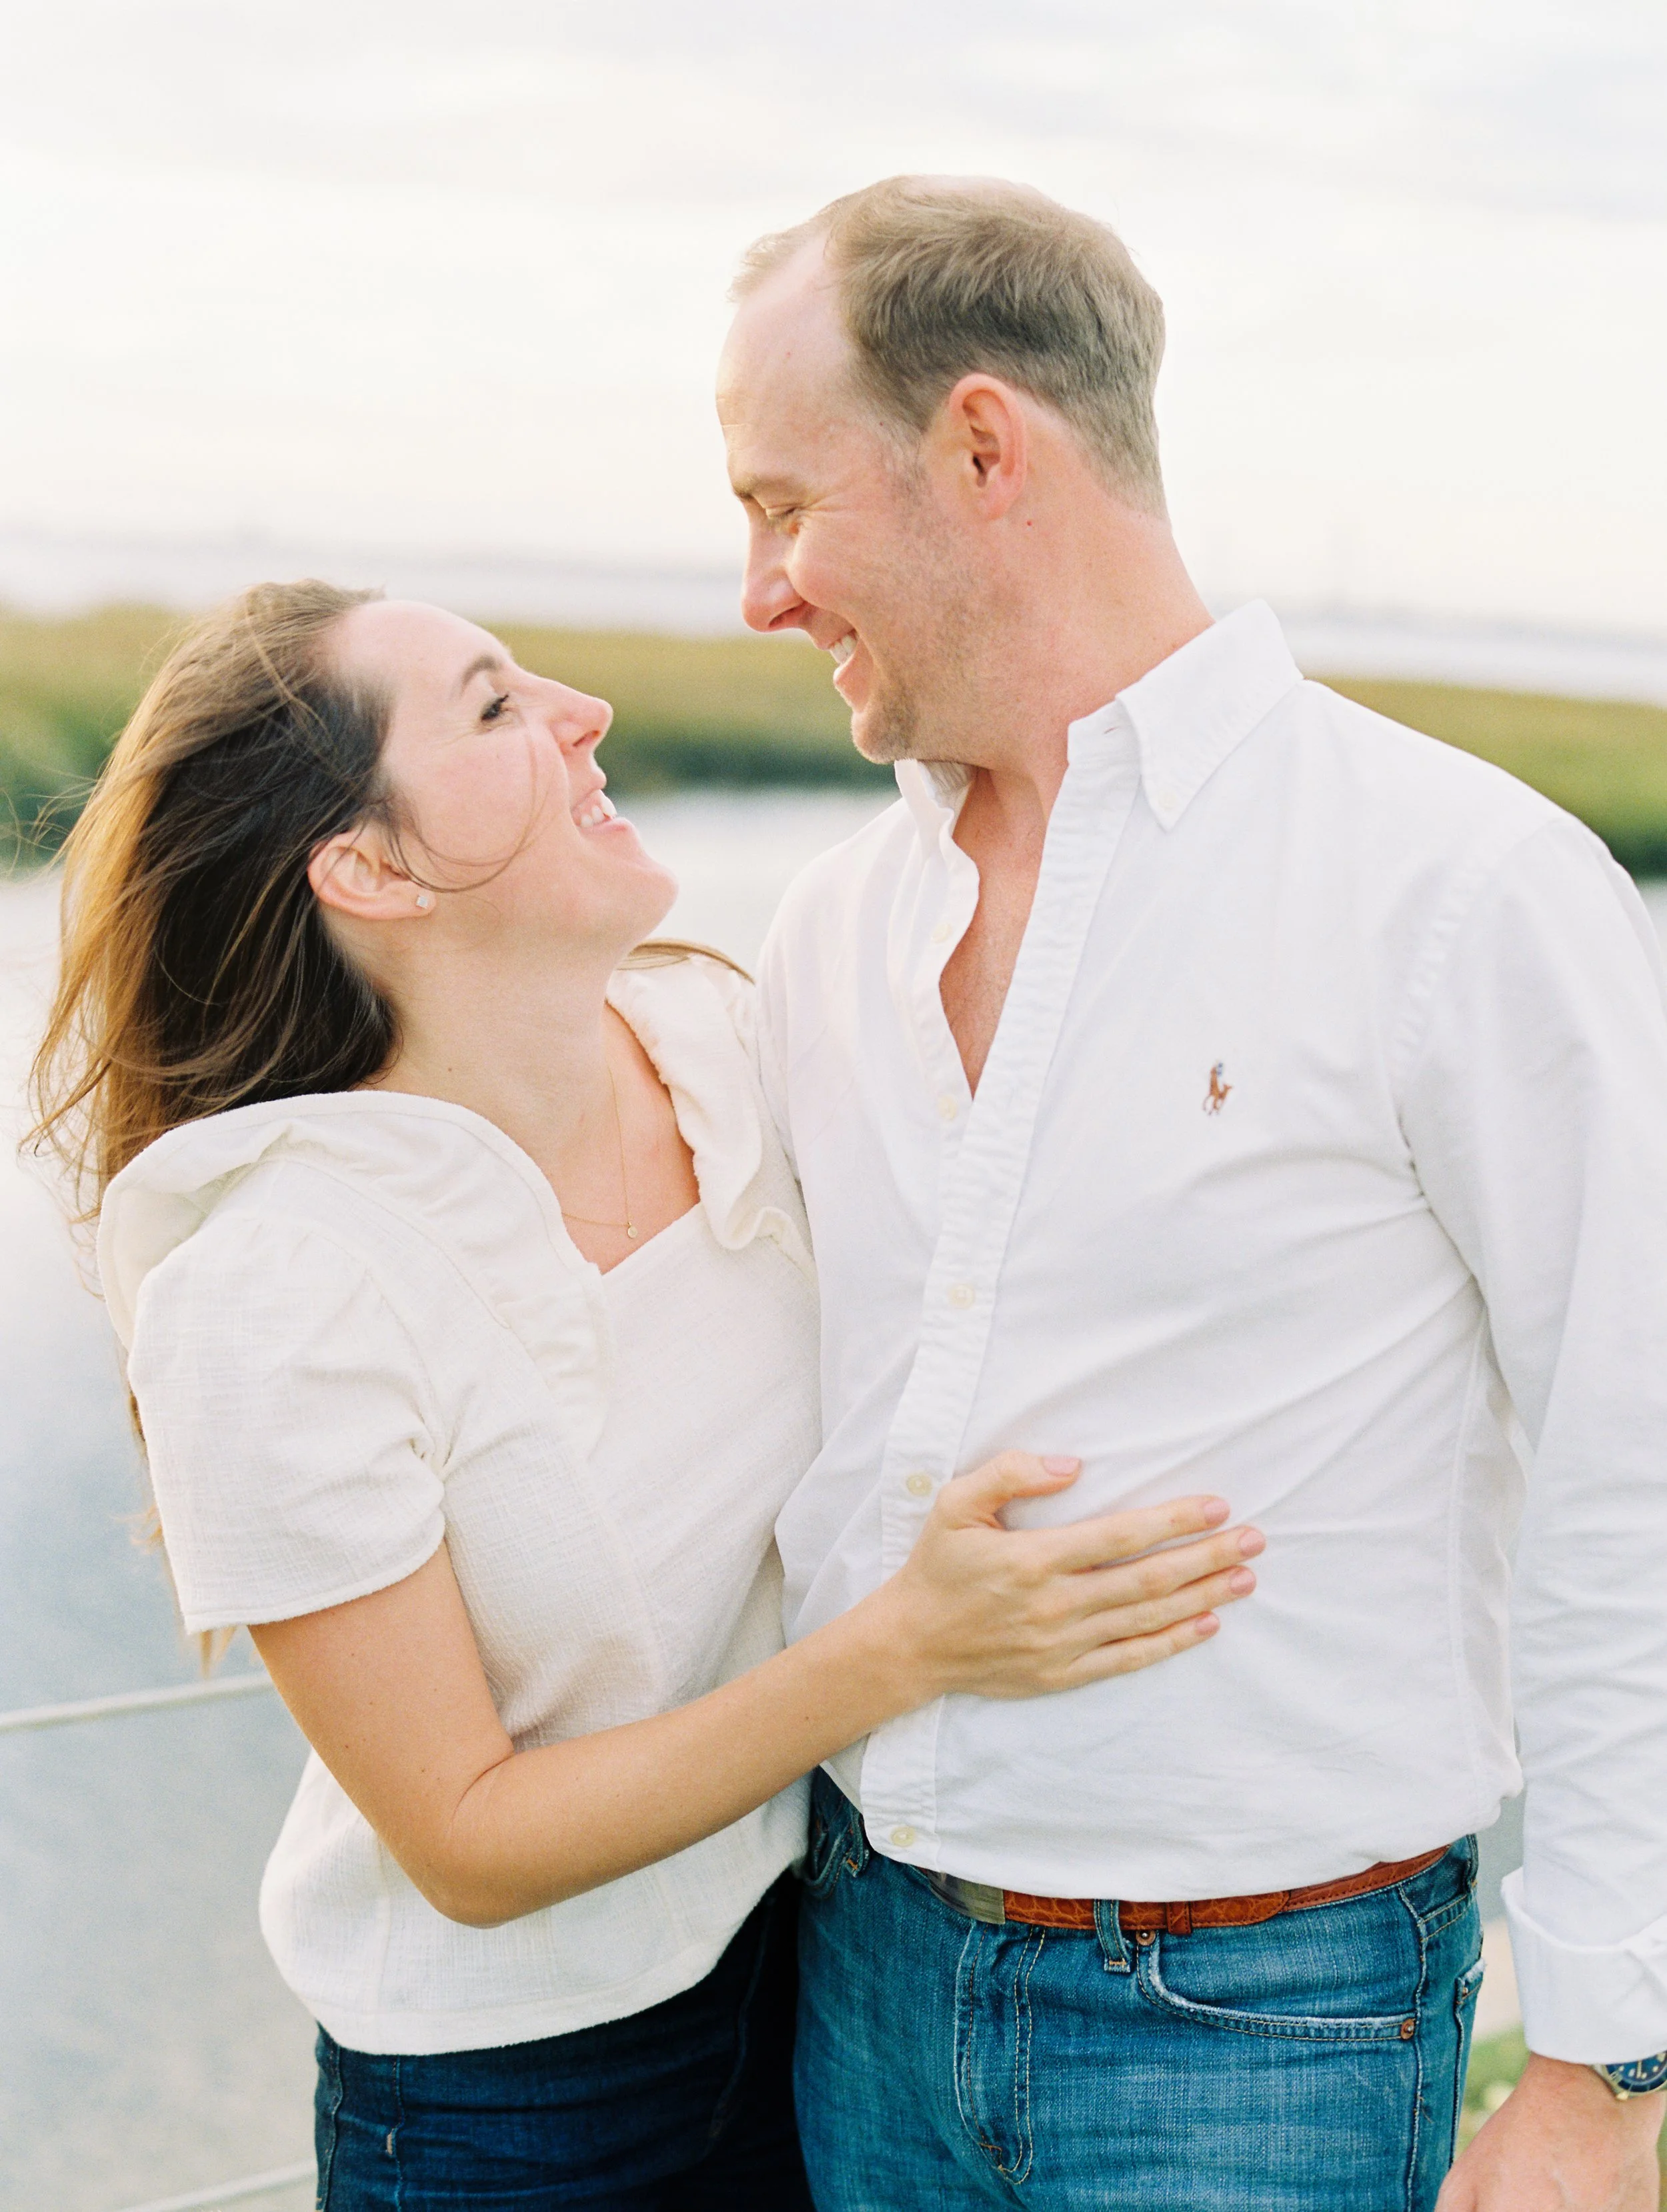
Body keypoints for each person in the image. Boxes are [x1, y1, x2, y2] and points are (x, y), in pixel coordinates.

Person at [29, 580, 1261, 2211]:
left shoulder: (719, 1035)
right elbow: (464, 1839)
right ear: (369, 868)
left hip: (816, 1975)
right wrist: (905, 1648)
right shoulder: (275, 1282)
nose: (580, 708)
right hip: (513, 2111)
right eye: (488, 707)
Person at [719, 175, 1667, 2211]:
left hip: (1262, 2033)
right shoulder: (824, 927)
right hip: (858, 1967)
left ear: (983, 449)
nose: (757, 596)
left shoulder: (1459, 886)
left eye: (782, 505)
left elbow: (1632, 1463)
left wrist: (1601, 2059)